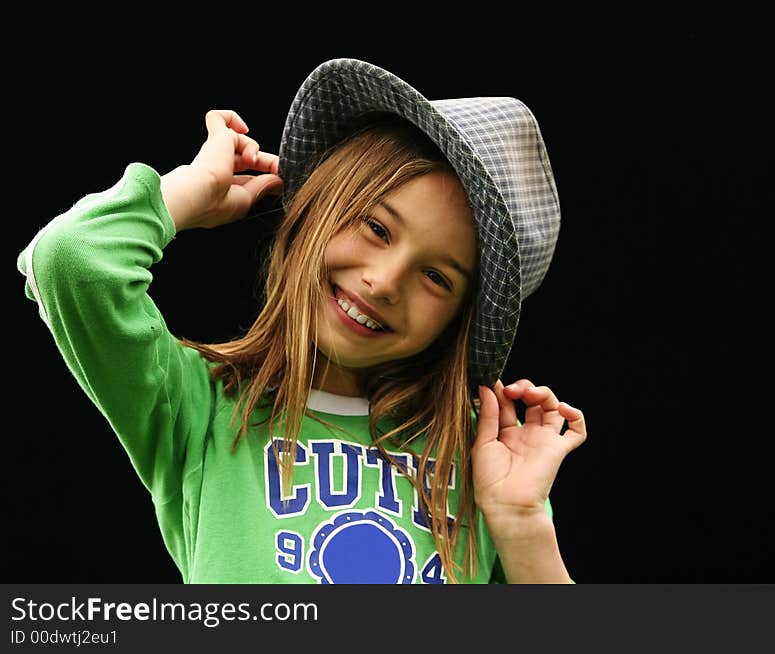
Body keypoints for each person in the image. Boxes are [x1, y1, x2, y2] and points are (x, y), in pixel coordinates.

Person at [17, 58, 587, 584]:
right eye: (377, 228)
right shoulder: (201, 408)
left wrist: (520, 521)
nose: (385, 282)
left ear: (460, 319)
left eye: (437, 278)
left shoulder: (487, 461)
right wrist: (189, 192)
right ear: (315, 208)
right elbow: (73, 258)